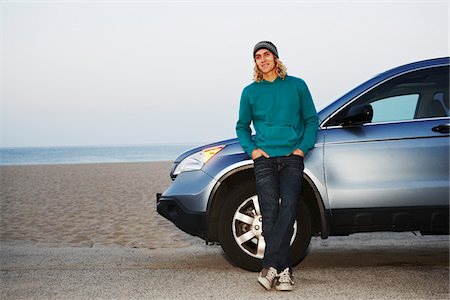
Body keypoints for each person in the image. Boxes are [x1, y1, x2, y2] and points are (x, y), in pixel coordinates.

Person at [236, 41, 319, 291]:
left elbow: (311, 120)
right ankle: (284, 271)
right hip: (264, 159)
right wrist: (253, 151)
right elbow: (242, 126)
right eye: (257, 57)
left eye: (266, 55)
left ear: (276, 58)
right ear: (256, 63)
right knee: (269, 212)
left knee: (290, 207)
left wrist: (301, 149)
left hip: (292, 157)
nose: (262, 59)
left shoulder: (297, 85)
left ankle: (269, 265)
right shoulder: (250, 92)